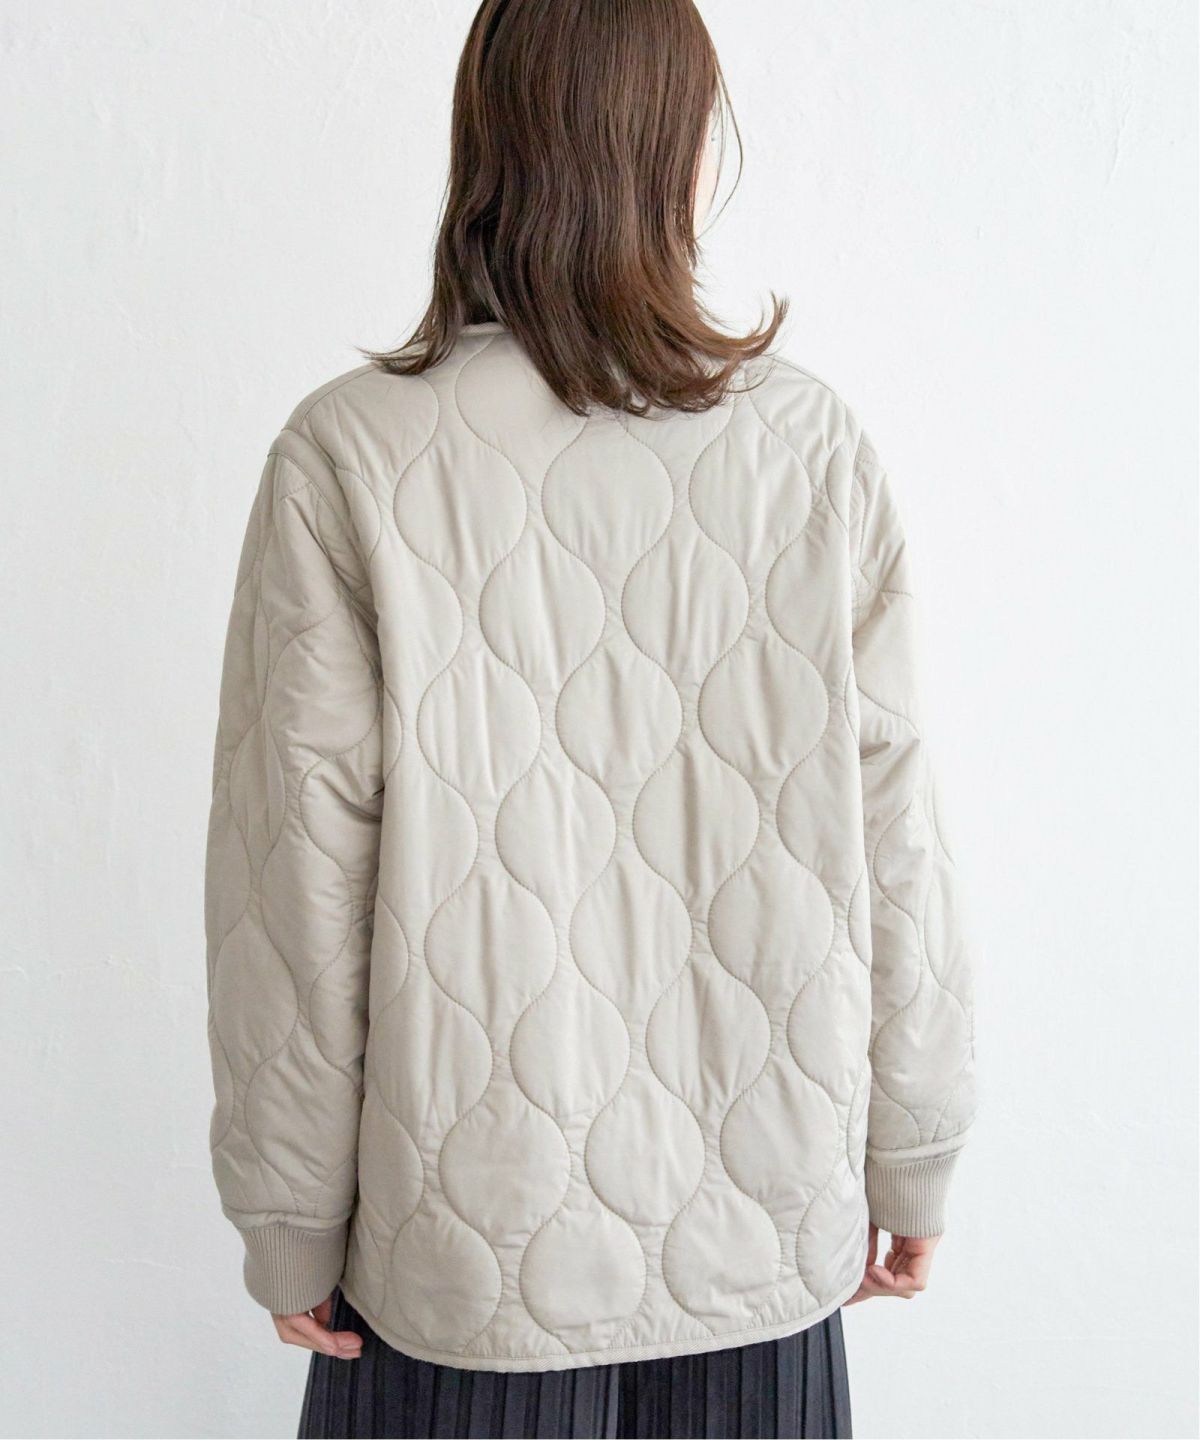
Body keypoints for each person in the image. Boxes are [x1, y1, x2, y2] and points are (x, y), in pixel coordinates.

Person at [202, 1, 978, 1436]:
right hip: (763, 1239)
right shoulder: (808, 447)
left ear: (486, 143)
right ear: (679, 152)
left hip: (464, 1259)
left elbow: (293, 882)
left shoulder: (349, 454)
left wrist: (289, 1218)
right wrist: (912, 1151)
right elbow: (899, 838)